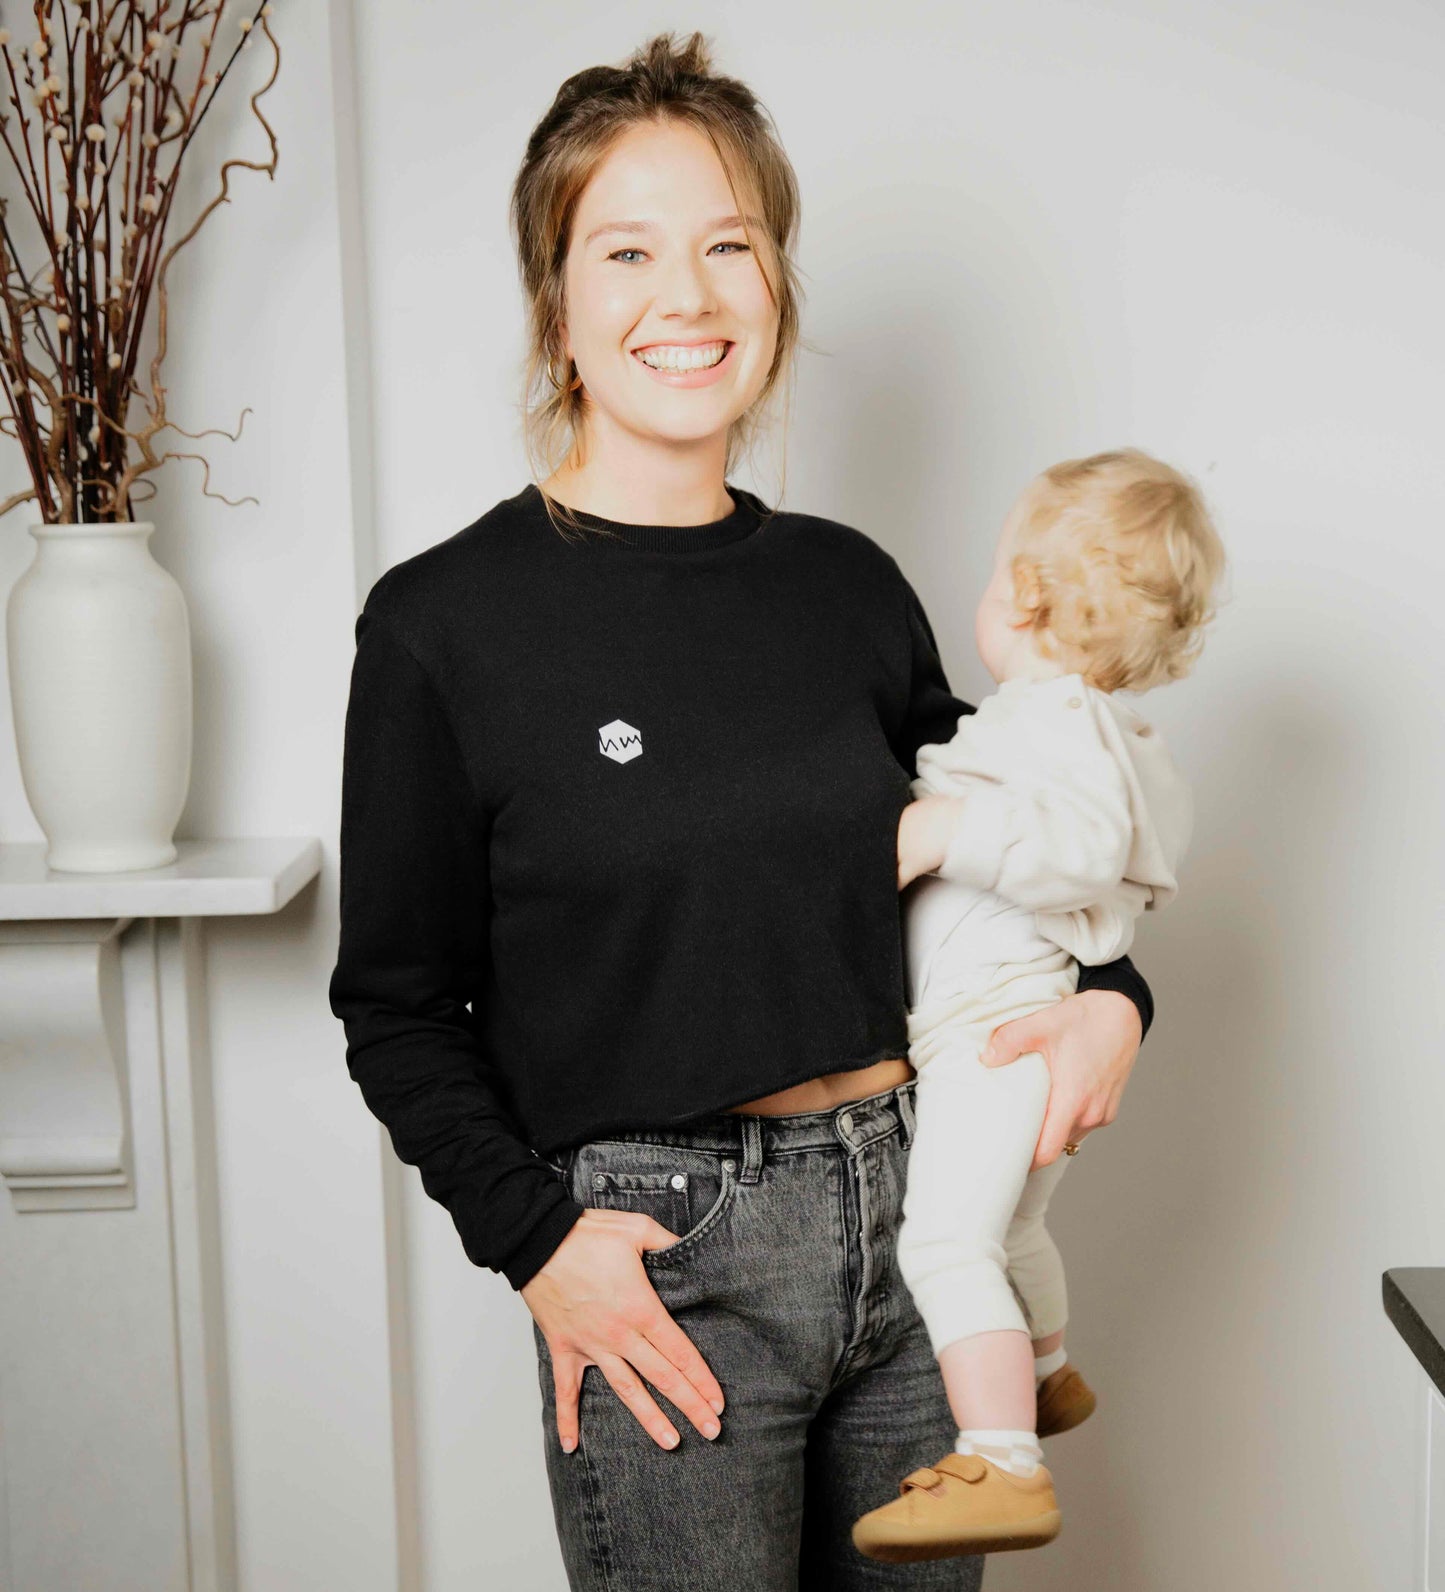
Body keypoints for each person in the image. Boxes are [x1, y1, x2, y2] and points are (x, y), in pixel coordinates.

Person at [327, 32, 1155, 1590]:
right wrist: (537, 1245)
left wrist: (1114, 998)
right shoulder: (444, 626)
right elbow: (395, 1008)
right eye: (627, 250)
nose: (688, 298)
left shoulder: (849, 589)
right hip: (665, 1262)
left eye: (730, 247)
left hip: (924, 1227)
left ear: (777, 283)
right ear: (555, 300)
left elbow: (1034, 838)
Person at [850, 450, 1225, 1562]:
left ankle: (1001, 1459)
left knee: (944, 1241)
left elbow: (1080, 848)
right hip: (1032, 1028)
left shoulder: (1049, 717)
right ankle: (1047, 1370)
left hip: (992, 1034)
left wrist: (936, 831)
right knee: (1013, 1226)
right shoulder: (1106, 731)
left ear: (1019, 590)